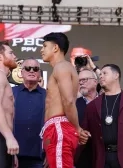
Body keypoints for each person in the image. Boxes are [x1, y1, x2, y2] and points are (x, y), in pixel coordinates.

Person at [39, 32, 89, 168]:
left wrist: (77, 128)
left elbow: (68, 101)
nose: (41, 50)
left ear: (55, 48)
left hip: (59, 128)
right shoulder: (60, 68)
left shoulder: (62, 67)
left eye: (44, 46)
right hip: (55, 129)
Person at [13, 58, 46, 168]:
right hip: (13, 155)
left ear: (39, 73)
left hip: (39, 156)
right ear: (21, 72)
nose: (32, 71)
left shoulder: (49, 96)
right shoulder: (11, 93)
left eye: (35, 69)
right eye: (28, 68)